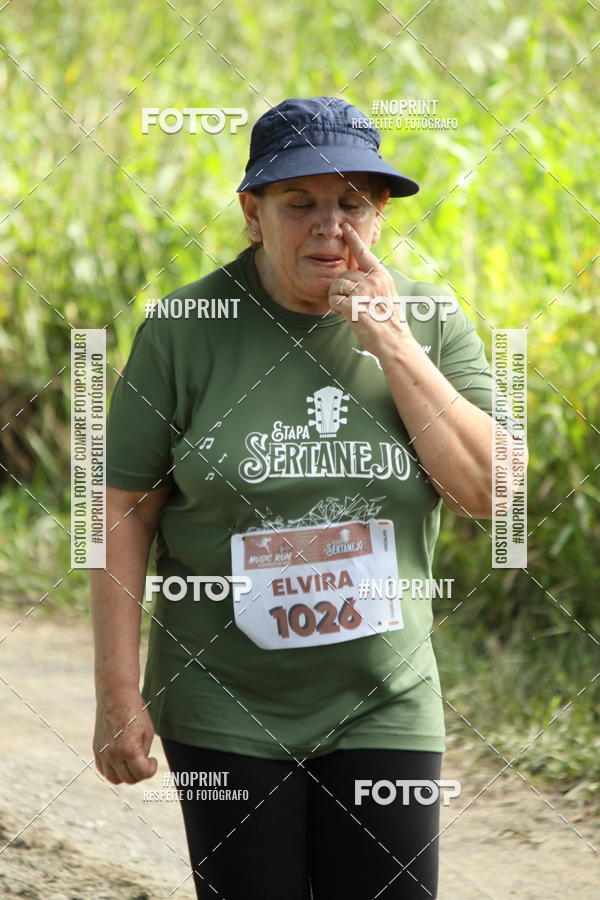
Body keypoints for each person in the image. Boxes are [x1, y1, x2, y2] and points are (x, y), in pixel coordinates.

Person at [91, 96, 523, 899]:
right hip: (223, 701)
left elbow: (495, 496)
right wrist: (118, 691)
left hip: (383, 696)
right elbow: (125, 511)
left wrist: (391, 341)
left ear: (380, 212)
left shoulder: (429, 321)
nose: (331, 227)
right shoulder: (186, 327)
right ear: (253, 213)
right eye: (300, 204)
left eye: (352, 204)